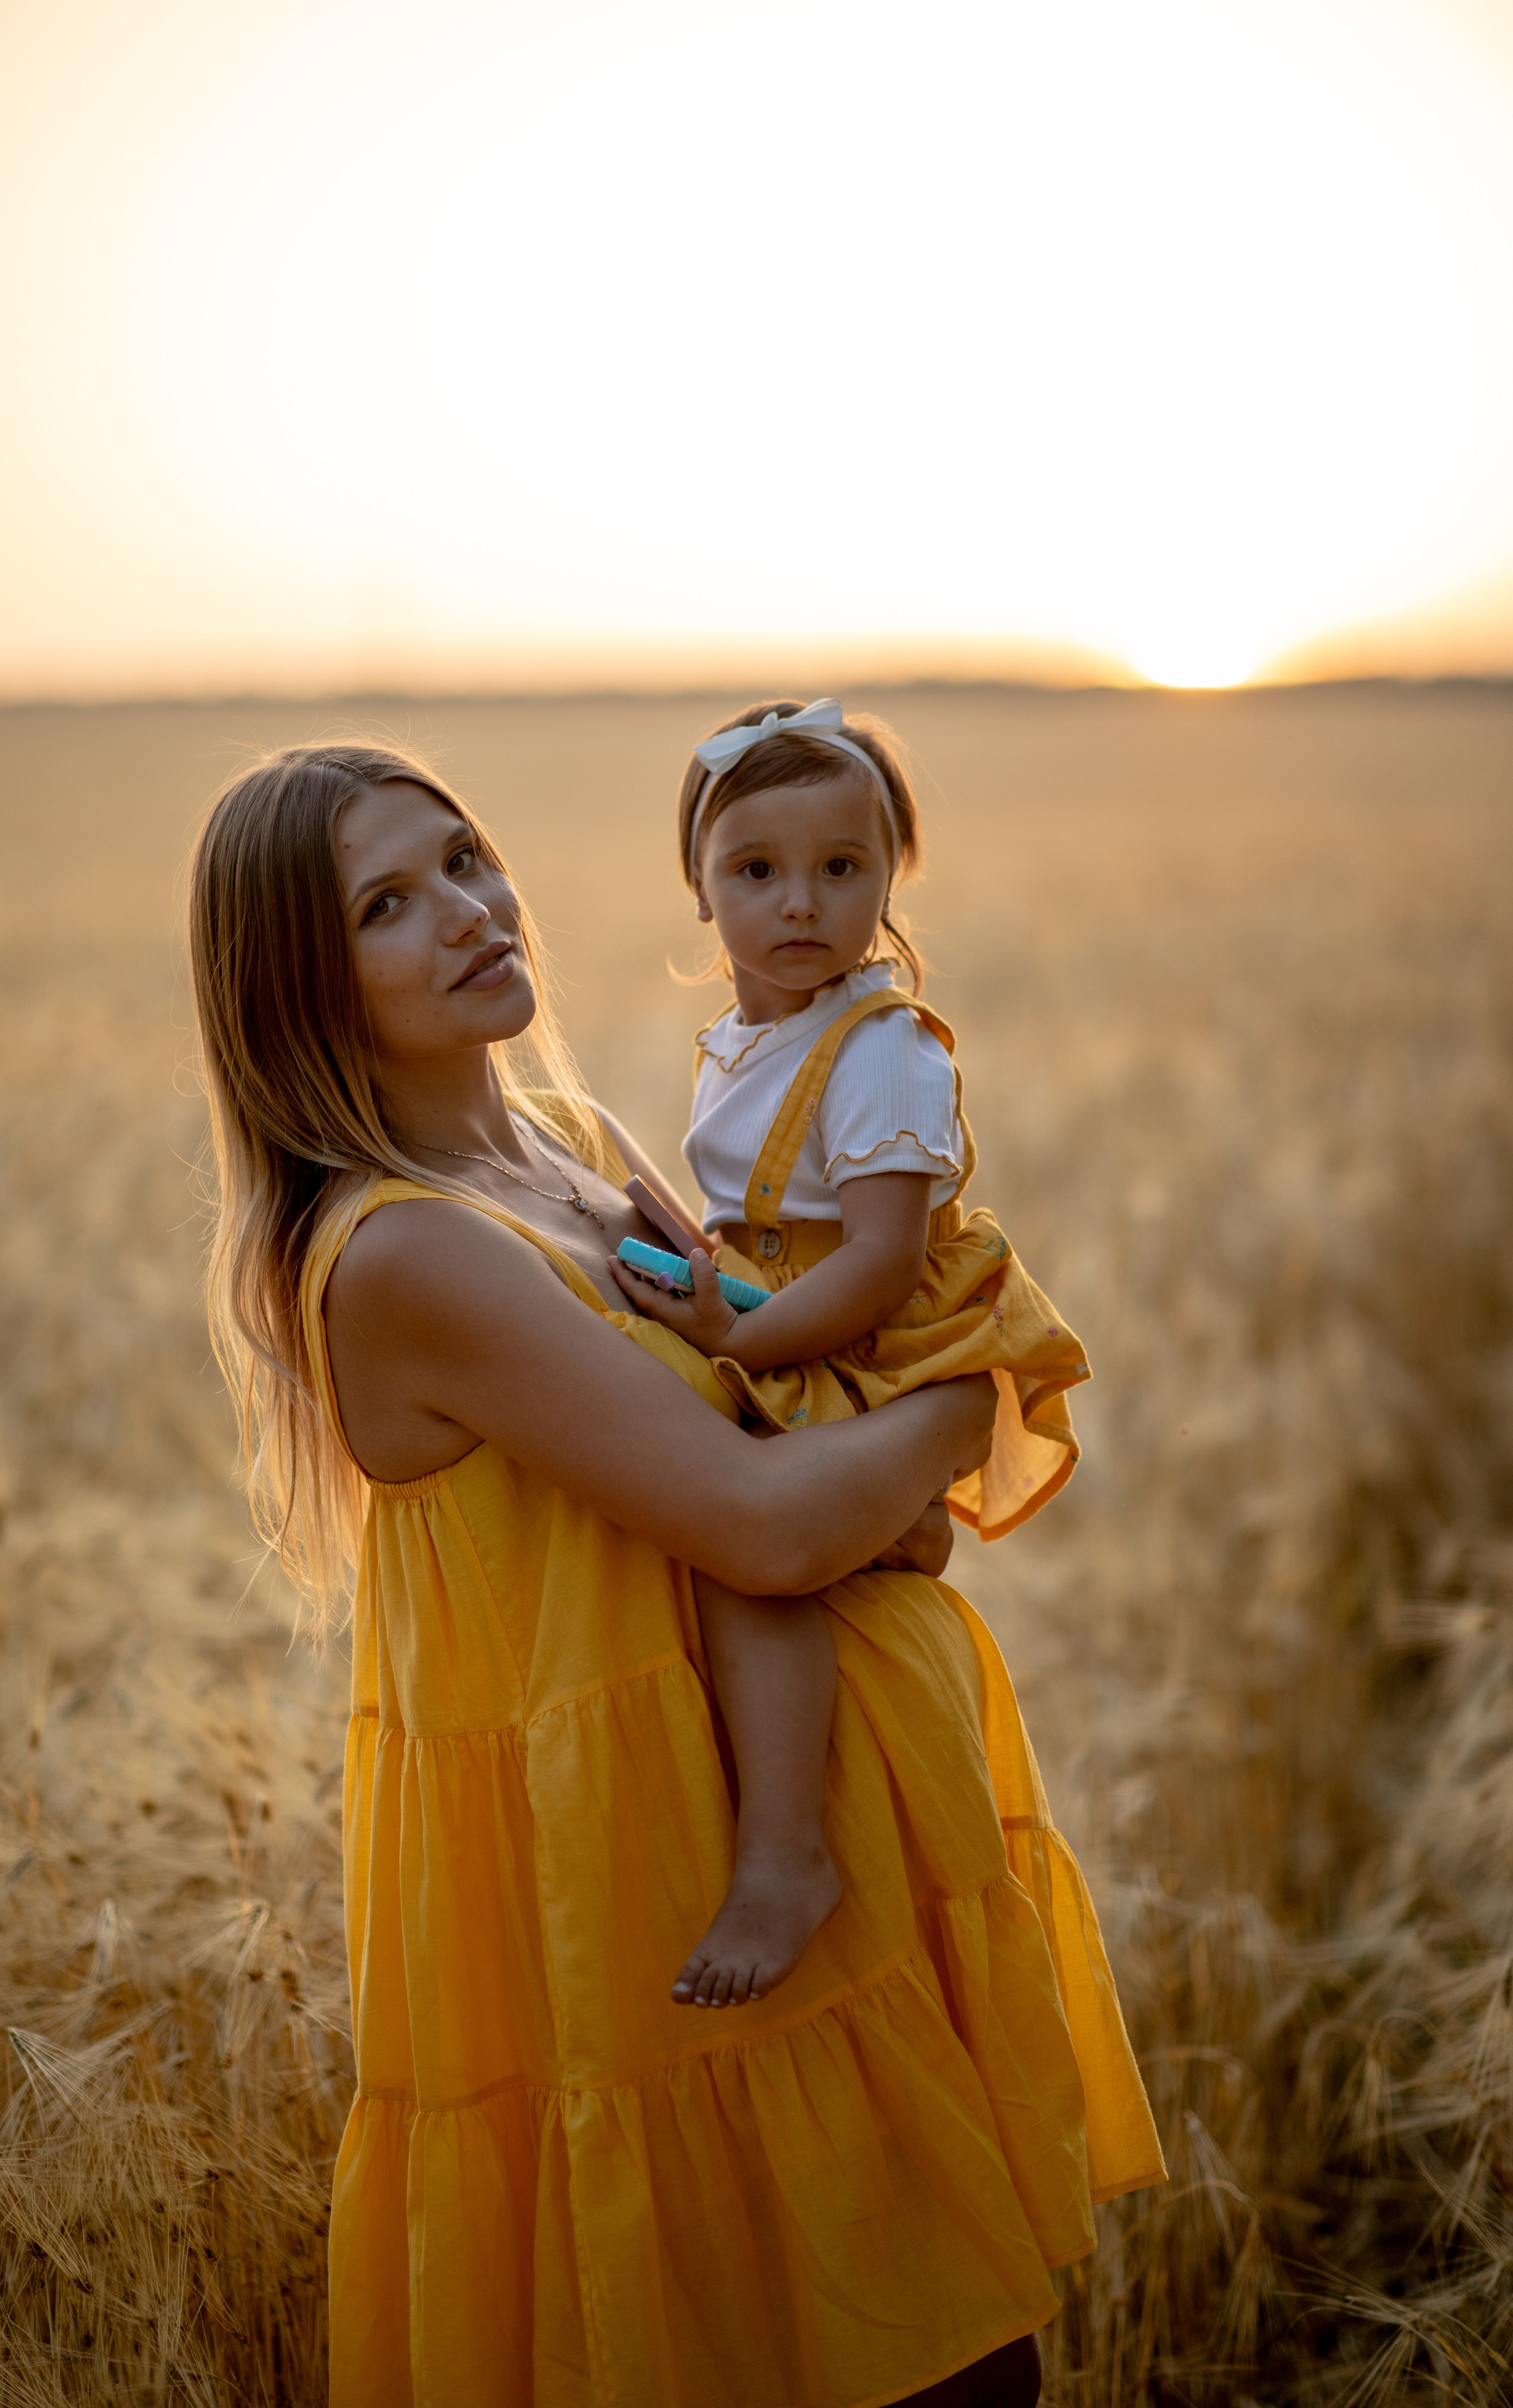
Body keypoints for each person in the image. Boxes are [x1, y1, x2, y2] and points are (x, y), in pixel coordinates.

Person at [188, 739, 1164, 2408]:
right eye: (387, 905)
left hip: (802, 1853)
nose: (472, 913)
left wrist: (873, 1455)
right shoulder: (407, 1248)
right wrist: (972, 1393)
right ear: (301, 985)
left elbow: (792, 1415)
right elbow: (776, 1520)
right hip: (647, 1903)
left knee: (949, 2351)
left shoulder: (574, 1142)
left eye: (467, 859)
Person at [612, 700, 1094, 2014]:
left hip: (875, 1338)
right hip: (788, 1302)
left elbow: (879, 1263)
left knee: (740, 1540)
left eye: (843, 868)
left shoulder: (882, 1055)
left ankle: (784, 1858)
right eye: (754, 870)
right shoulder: (743, 1036)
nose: (800, 903)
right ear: (699, 892)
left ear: (889, 882)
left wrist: (739, 1338)